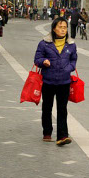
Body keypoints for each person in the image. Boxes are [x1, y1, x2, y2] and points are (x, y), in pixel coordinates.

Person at [34, 17, 77, 146]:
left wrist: (68, 69)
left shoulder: (71, 44)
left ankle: (63, 136)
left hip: (64, 82)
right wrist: (43, 62)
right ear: (54, 28)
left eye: (65, 27)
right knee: (47, 107)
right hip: (48, 81)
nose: (63, 30)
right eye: (60, 27)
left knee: (62, 109)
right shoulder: (44, 43)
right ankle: (47, 132)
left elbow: (73, 60)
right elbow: (37, 59)